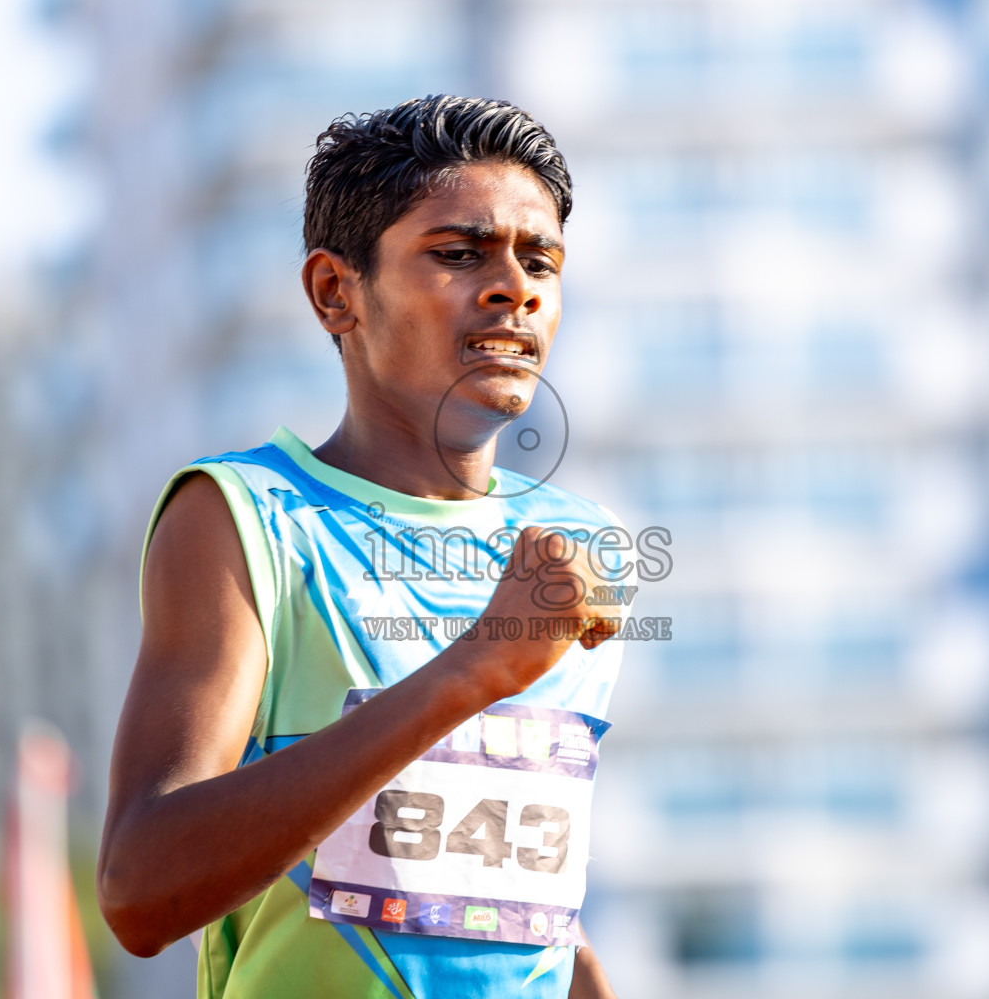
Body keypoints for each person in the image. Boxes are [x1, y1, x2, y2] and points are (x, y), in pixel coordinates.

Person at [98, 95, 632, 999]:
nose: (516, 286)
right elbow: (141, 891)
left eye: (539, 259)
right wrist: (473, 670)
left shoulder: (576, 545)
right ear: (335, 293)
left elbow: (490, 899)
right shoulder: (246, 519)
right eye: (459, 254)